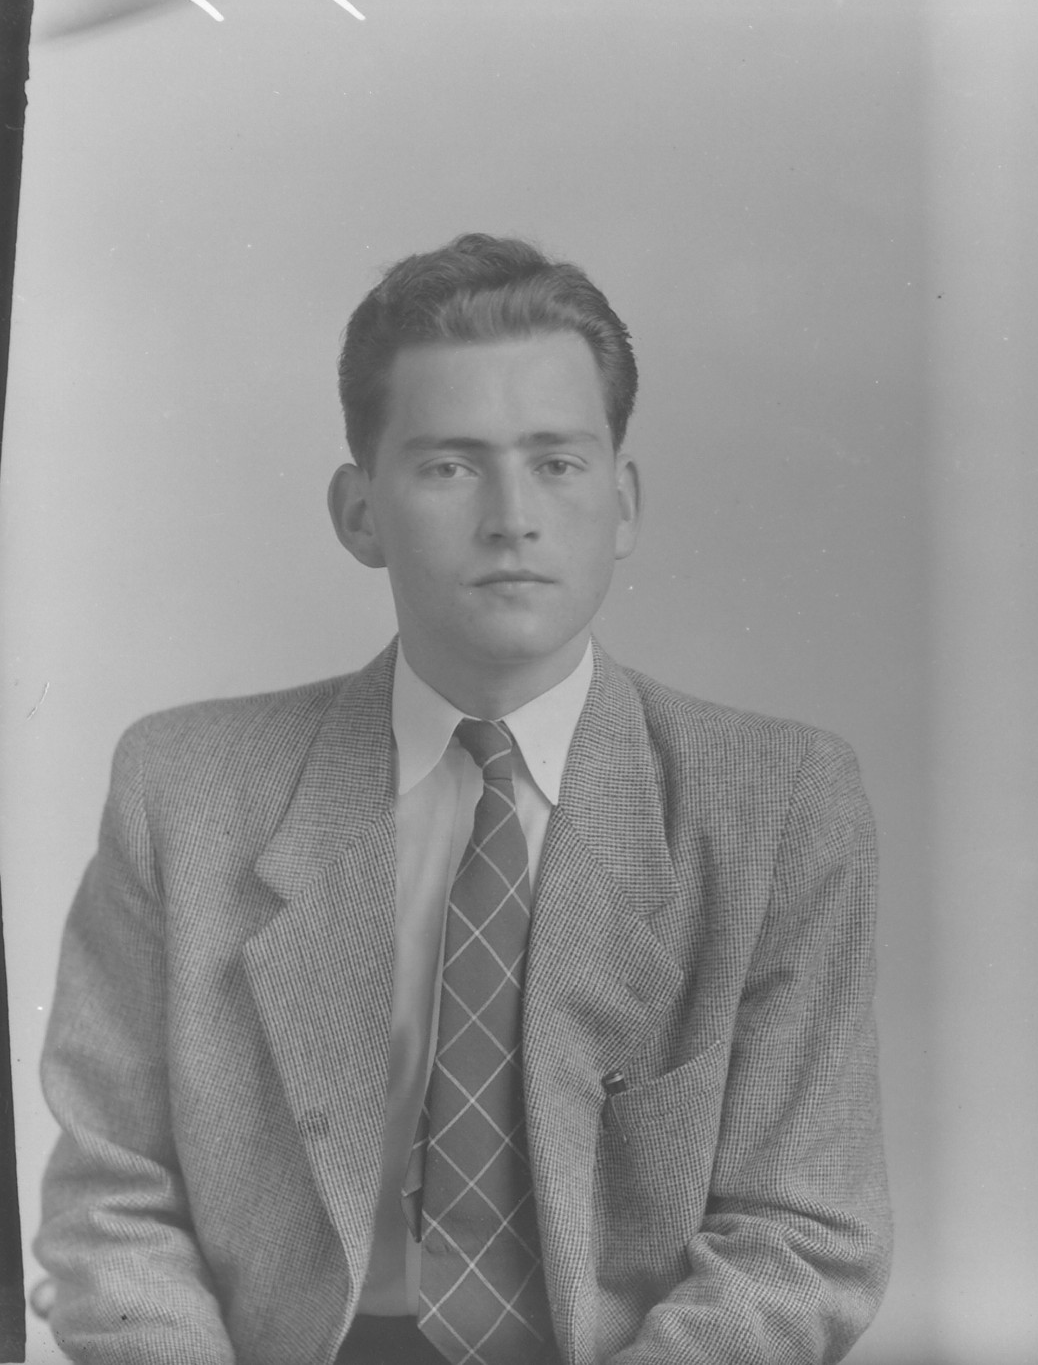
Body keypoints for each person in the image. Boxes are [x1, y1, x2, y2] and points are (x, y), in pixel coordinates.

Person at [36, 234, 891, 1365]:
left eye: (558, 463)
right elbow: (114, 1202)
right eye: (450, 466)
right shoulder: (186, 790)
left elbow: (802, 1234)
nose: (511, 517)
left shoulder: (781, 804)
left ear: (623, 504)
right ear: (359, 512)